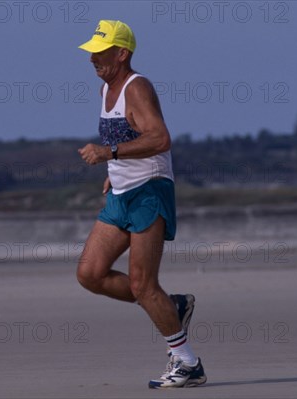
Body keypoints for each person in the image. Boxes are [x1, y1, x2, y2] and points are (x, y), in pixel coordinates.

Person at [76, 20, 207, 389]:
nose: (93, 59)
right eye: (91, 52)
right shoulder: (105, 89)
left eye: (101, 53)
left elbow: (160, 138)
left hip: (149, 192)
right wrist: (114, 168)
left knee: (142, 284)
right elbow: (129, 138)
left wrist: (109, 152)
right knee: (90, 274)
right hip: (121, 192)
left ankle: (187, 362)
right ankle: (173, 307)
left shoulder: (138, 87)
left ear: (123, 53)